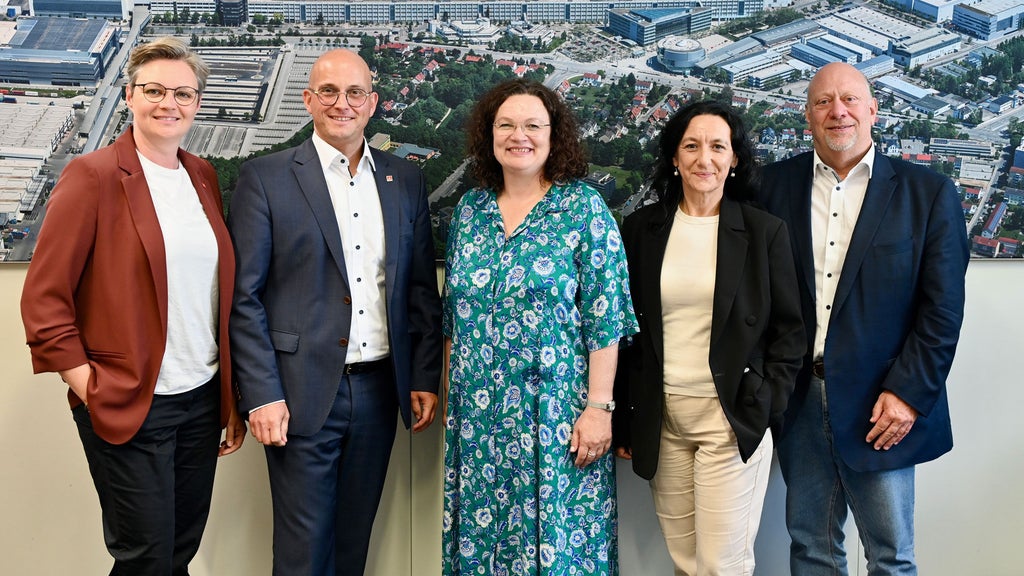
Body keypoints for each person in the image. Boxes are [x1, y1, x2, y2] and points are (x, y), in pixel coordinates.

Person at [20, 37, 245, 575]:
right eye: (155, 91)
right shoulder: (93, 176)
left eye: (184, 93)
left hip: (199, 397)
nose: (169, 104)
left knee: (178, 551)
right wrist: (89, 385)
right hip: (131, 400)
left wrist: (230, 398)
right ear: (129, 96)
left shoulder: (202, 176)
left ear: (197, 102)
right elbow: (44, 298)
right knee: (144, 555)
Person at [228, 48, 442, 576]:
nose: (341, 103)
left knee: (352, 545)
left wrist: (422, 375)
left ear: (372, 103)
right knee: (303, 555)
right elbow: (244, 298)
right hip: (299, 393)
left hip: (378, 391)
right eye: (328, 91)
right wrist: (262, 395)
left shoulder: (404, 180)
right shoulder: (266, 177)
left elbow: (418, 288)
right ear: (308, 100)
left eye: (354, 93)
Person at [759, 62, 969, 575]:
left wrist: (908, 395)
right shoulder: (768, 187)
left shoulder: (928, 194)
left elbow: (941, 309)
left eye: (850, 99)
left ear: (873, 110)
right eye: (823, 102)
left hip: (883, 407)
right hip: (798, 399)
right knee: (811, 548)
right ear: (806, 117)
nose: (838, 111)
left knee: (891, 557)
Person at [441, 78, 638, 574]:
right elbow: (454, 316)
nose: (518, 135)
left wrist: (598, 409)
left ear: (555, 136)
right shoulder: (470, 211)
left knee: (559, 548)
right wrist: (451, 397)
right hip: (480, 422)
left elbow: (606, 319)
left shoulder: (584, 210)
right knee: (484, 548)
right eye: (505, 125)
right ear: (490, 135)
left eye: (533, 125)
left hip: (558, 419)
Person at [612, 100, 805, 575]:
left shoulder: (763, 232)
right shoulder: (641, 229)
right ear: (674, 158)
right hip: (662, 418)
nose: (705, 159)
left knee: (722, 565)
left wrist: (765, 400)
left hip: (731, 419)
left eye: (718, 146)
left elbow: (789, 330)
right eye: (691, 146)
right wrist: (623, 419)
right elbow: (623, 330)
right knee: (686, 561)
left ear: (734, 159)